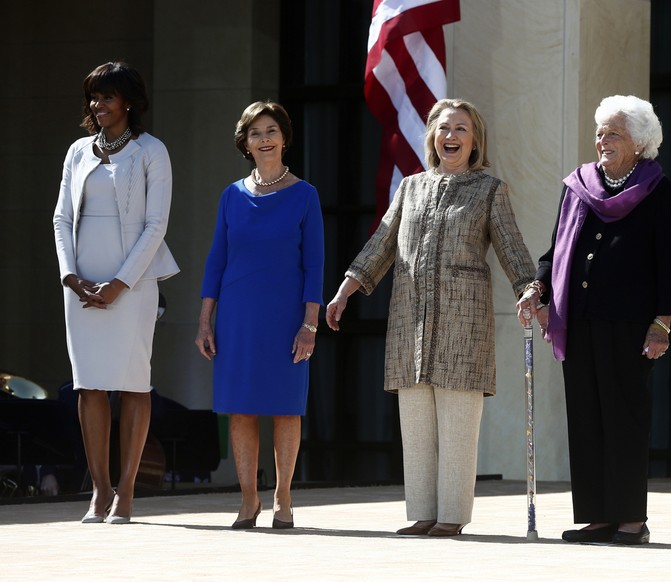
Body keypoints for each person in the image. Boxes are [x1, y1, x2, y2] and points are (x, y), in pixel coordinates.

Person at [326, 98, 535, 537]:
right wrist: (346, 289)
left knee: (458, 427)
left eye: (461, 129)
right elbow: (382, 242)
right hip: (409, 322)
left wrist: (530, 289)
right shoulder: (411, 187)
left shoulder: (489, 189)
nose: (451, 136)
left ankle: (452, 517)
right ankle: (423, 513)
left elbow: (512, 248)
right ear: (432, 137)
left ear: (474, 139)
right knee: (417, 427)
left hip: (464, 326)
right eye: (443, 129)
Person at [518, 95, 671, 545]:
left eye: (614, 133)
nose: (603, 140)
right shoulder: (579, 186)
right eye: (600, 132)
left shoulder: (658, 190)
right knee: (588, 417)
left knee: (624, 417)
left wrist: (662, 323)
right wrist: (537, 287)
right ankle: (597, 516)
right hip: (580, 319)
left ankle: (631, 518)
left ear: (640, 141)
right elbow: (555, 251)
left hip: (630, 324)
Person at [52, 61, 179, 524]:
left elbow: (156, 224)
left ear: (128, 101)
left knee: (132, 383)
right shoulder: (77, 152)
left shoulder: (151, 151)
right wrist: (71, 276)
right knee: (89, 386)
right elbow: (61, 218)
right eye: (93, 97)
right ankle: (99, 492)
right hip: (82, 286)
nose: (97, 105)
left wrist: (121, 283)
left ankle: (126, 492)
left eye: (106, 96)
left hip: (134, 284)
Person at [196, 101, 324, 530]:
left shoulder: (305, 195)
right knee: (241, 409)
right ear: (245, 142)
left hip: (286, 316)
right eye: (255, 132)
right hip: (237, 317)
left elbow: (315, 264)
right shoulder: (230, 195)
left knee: (286, 408)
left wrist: (310, 324)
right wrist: (204, 319)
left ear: (284, 138)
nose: (264, 138)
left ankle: (283, 496)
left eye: (271, 130)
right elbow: (216, 260)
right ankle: (248, 499)